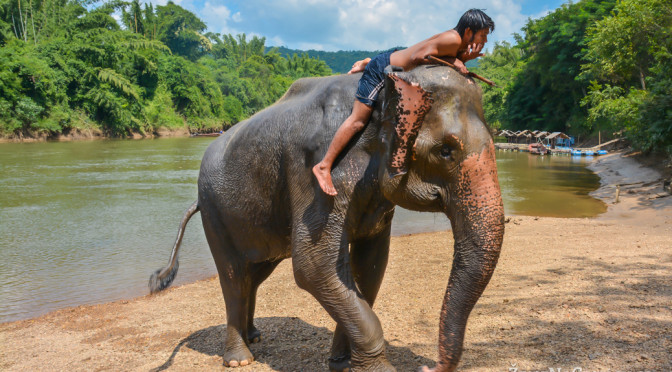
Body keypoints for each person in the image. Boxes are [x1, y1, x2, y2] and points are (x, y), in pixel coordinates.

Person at [312, 9, 494, 196]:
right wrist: (455, 60)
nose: (485, 41)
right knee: (358, 120)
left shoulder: (456, 41)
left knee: (385, 61)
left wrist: (463, 58)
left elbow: (429, 55)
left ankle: (368, 61)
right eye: (483, 35)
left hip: (396, 57)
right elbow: (418, 58)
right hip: (382, 70)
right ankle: (323, 166)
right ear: (468, 32)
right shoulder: (453, 40)